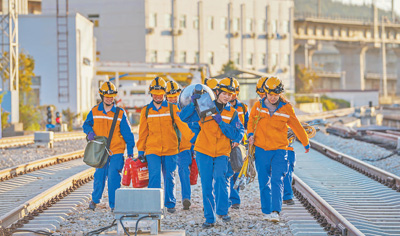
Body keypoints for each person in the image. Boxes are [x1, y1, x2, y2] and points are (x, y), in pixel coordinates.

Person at [180, 78, 244, 229]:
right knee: (207, 184)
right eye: (224, 93)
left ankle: (222, 211)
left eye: (230, 94)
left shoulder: (232, 113)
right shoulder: (205, 107)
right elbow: (184, 117)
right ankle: (210, 217)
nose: (227, 96)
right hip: (203, 151)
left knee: (220, 179)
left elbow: (237, 133)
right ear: (217, 93)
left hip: (222, 152)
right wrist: (193, 103)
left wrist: (221, 122)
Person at [247, 76, 310, 223]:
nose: (273, 98)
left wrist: (305, 142)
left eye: (276, 95)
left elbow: (296, 126)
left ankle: (275, 211)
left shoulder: (286, 108)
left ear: (280, 93)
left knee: (277, 179)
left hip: (280, 150)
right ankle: (266, 211)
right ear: (266, 93)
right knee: (264, 181)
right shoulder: (258, 106)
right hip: (262, 149)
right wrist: (250, 135)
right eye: (270, 95)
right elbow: (250, 122)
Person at [137, 77, 194, 213]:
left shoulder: (171, 108)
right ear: (151, 93)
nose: (158, 96)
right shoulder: (146, 111)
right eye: (155, 93)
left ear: (164, 93)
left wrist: (194, 139)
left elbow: (182, 125)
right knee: (155, 176)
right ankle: (153, 204)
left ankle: (170, 204)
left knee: (169, 176)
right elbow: (143, 132)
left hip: (171, 149)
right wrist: (140, 150)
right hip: (153, 150)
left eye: (160, 93)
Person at [83, 81, 135, 212]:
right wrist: (89, 132)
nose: (109, 98)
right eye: (107, 96)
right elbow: (86, 125)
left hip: (116, 151)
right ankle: (95, 200)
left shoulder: (120, 113)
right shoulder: (94, 111)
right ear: (102, 96)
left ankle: (114, 204)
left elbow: (128, 135)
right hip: (101, 151)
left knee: (113, 177)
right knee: (99, 175)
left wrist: (130, 153)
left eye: (111, 96)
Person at [165, 81, 193, 210]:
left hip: (184, 147)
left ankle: (186, 198)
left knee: (183, 171)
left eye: (174, 96)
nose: (172, 99)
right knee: (169, 175)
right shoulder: (162, 110)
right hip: (169, 147)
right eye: (170, 97)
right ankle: (170, 201)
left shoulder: (185, 108)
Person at [226, 78, 248, 210]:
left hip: (239, 144)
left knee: (237, 171)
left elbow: (247, 125)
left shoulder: (243, 107)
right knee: (227, 172)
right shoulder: (221, 107)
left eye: (233, 92)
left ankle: (235, 200)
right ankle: (227, 200)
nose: (231, 95)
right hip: (226, 143)